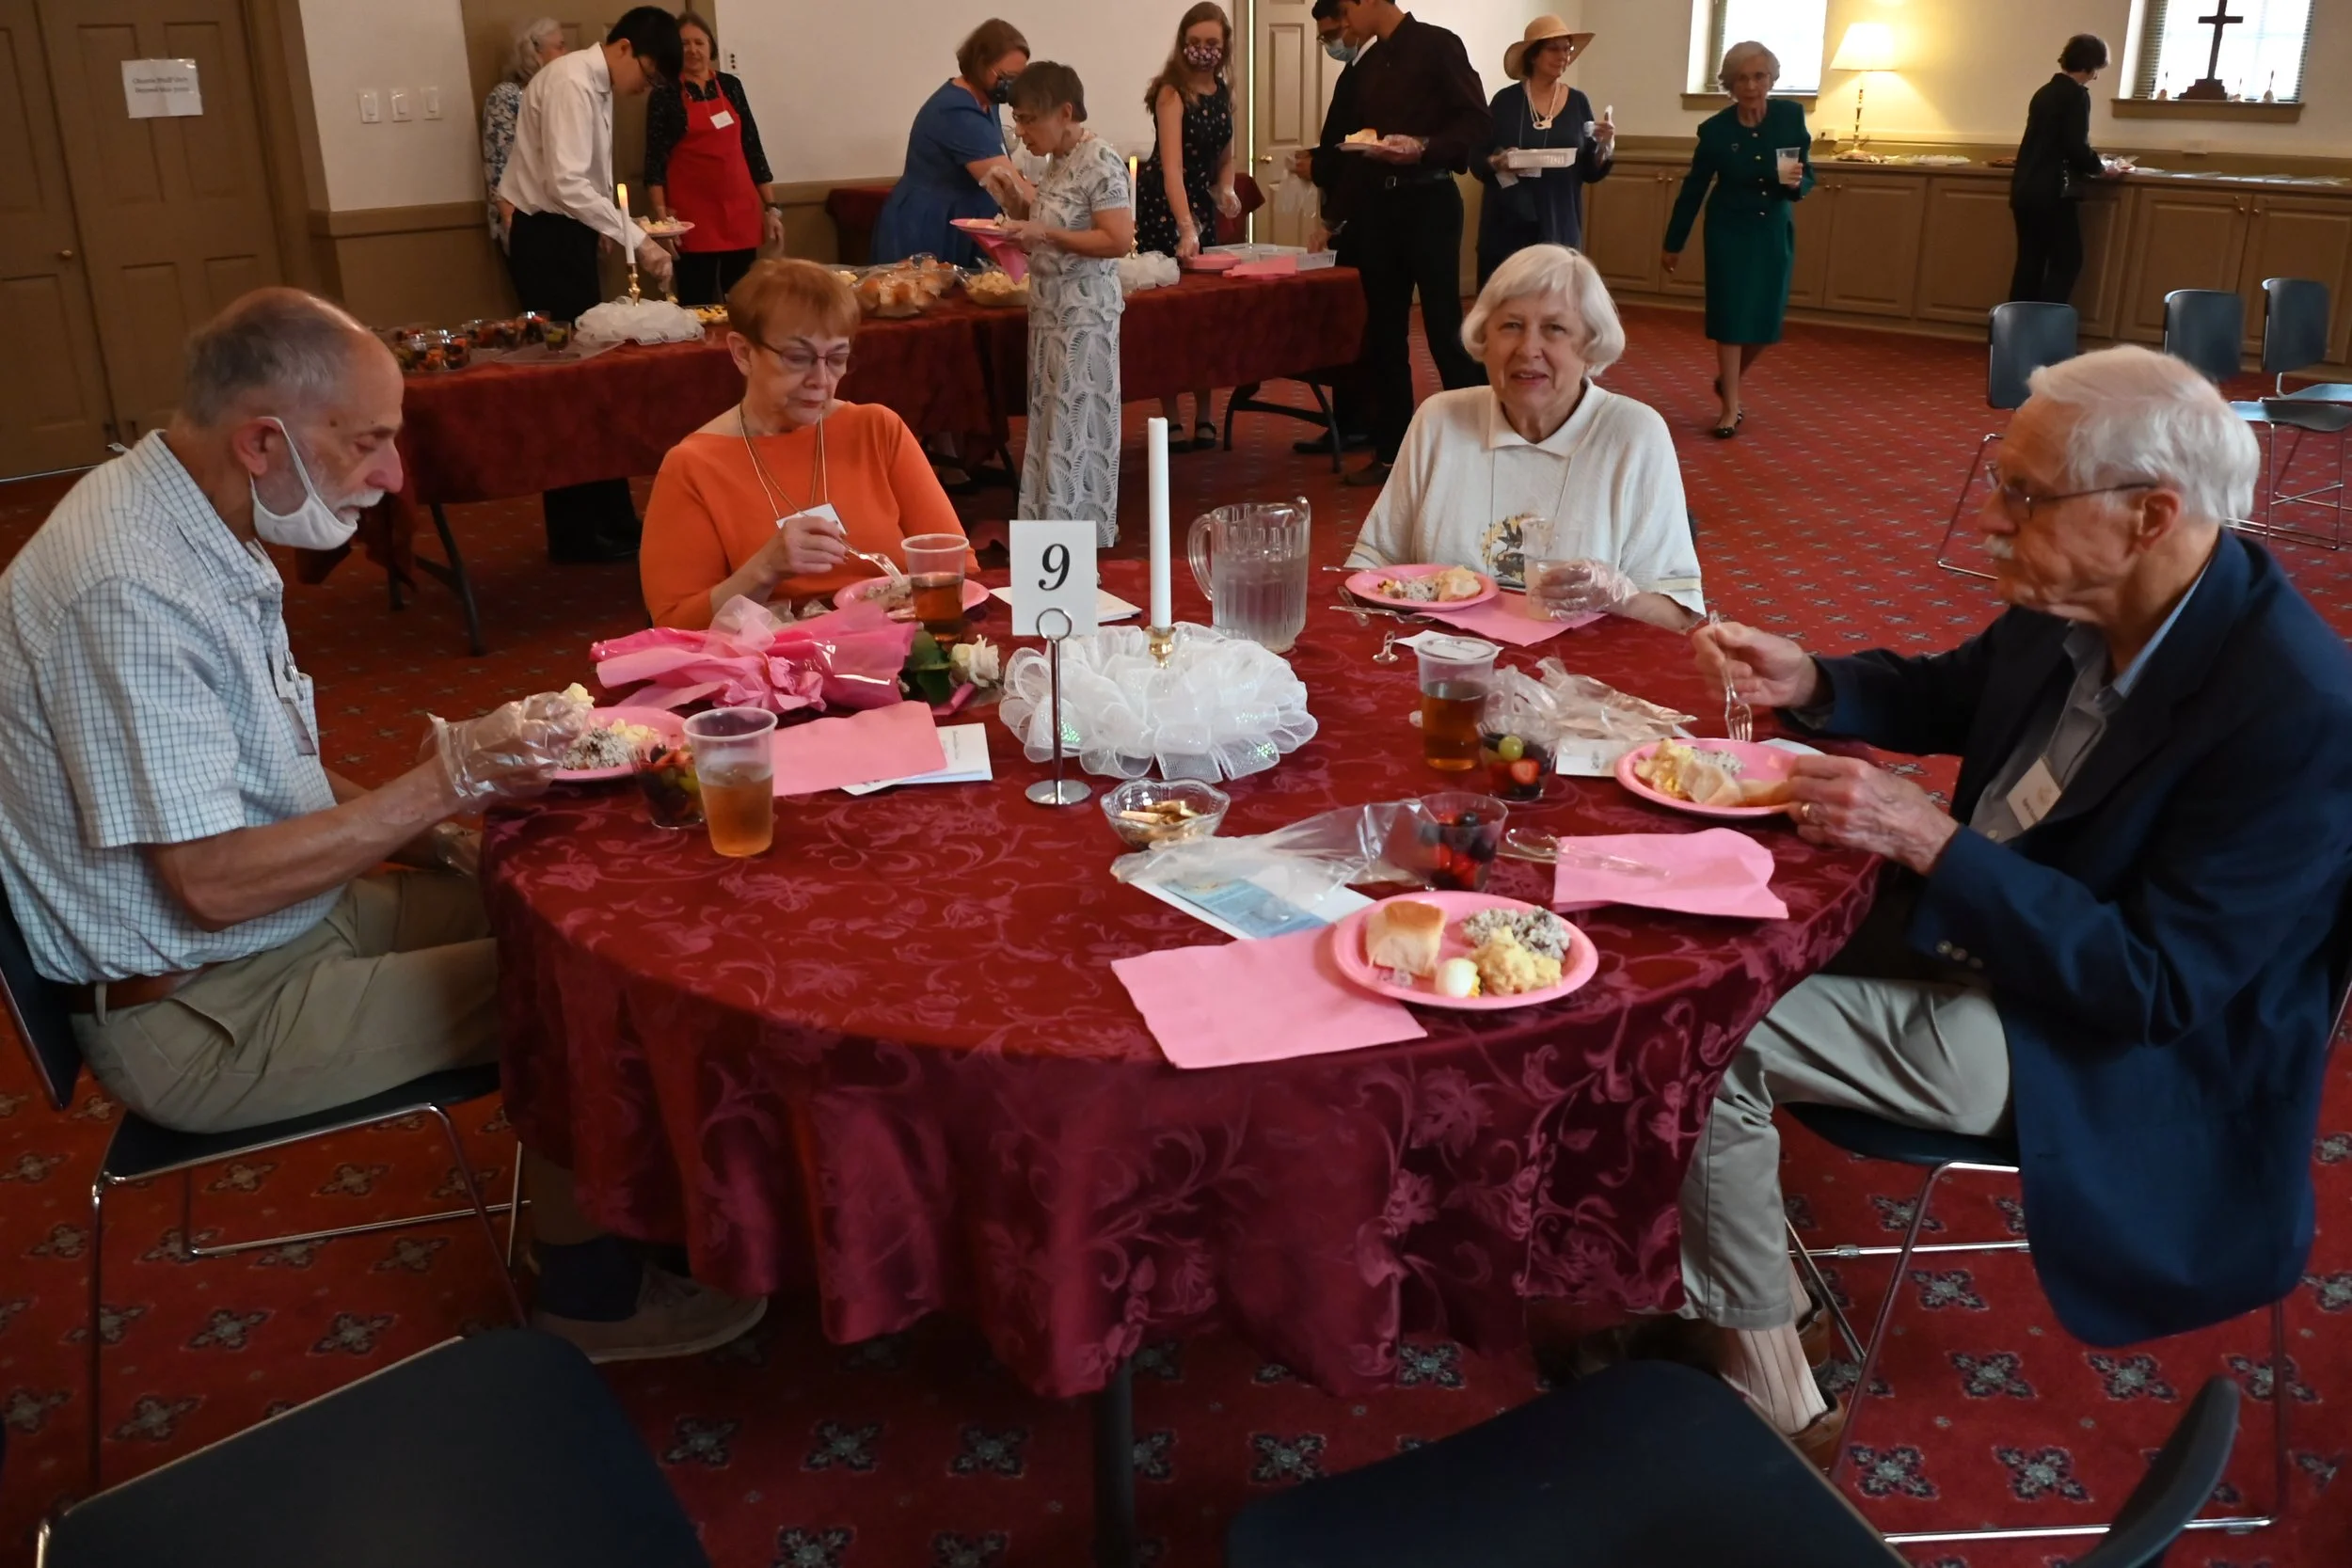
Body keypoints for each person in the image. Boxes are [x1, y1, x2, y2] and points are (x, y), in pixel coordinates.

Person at [0, 289, 767, 1362]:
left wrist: (454, 830)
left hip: (282, 928)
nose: (396, 475)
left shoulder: (184, 511)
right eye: (368, 442)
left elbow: (272, 776)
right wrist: (447, 778)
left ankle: (644, 1208)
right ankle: (592, 1298)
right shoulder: (131, 586)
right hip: (203, 1008)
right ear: (263, 440)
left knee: (578, 886)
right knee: (583, 985)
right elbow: (211, 882)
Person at [1674, 345, 2352, 1462]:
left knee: (1707, 1034)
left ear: (2150, 515)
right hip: (1990, 925)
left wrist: (1929, 839)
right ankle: (1741, 1282)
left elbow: (2157, 986)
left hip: (2098, 1043)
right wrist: (1815, 678)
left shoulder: (2296, 709)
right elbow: (1958, 687)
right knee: (1698, 934)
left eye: (2023, 494)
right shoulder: (2079, 592)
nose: (1989, 517)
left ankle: (1776, 1403)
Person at [1343, 245, 1702, 630]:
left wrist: (1619, 597)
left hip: (1577, 679)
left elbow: (1677, 616)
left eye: (1555, 329)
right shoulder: (1439, 420)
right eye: (1511, 326)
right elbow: (1372, 565)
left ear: (1591, 344)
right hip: (1442, 669)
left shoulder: (1634, 435)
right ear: (1485, 339)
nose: (1528, 349)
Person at [640, 261, 976, 629]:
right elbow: (676, 625)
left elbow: (957, 565)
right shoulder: (693, 466)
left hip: (901, 643)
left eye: (836, 359)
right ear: (743, 353)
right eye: (798, 358)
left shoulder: (876, 429)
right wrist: (764, 570)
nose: (821, 380)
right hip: (775, 666)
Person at [499, 6, 683, 564]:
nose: (641, 90)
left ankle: (611, 518)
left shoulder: (595, 83)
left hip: (570, 234)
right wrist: (641, 243)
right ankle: (576, 532)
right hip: (546, 240)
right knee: (571, 390)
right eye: (647, 76)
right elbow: (566, 184)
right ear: (623, 48)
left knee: (596, 382)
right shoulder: (571, 83)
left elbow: (587, 184)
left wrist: (605, 231)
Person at [1327, 0, 1491, 490]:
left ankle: (1480, 446)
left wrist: (1422, 146)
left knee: (1444, 329)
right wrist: (1335, 214)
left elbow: (1476, 124)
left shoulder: (1440, 46)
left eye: (1345, 8)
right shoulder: (1369, 65)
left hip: (1431, 201)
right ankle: (1391, 451)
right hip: (1379, 208)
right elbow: (1357, 145)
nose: (1342, 20)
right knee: (1384, 334)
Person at [1000, 63, 1135, 546]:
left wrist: (1044, 232)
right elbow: (1058, 223)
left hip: (1084, 322)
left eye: (1029, 119)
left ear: (1065, 112)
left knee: (1076, 434)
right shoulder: (1059, 159)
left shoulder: (1101, 160)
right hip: (1051, 315)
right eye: (1016, 119)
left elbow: (1118, 239)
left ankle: (1076, 542)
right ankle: (1048, 540)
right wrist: (1018, 205)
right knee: (1051, 429)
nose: (1022, 131)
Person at [1662, 40, 1813, 441]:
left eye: (1759, 76)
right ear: (1730, 84)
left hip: (1772, 229)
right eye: (1742, 78)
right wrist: (1673, 242)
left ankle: (1728, 380)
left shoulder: (1789, 117)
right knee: (1730, 318)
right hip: (1729, 230)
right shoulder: (1715, 131)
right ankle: (1730, 405)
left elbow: (1805, 174)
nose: (1751, 85)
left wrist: (1799, 184)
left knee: (1765, 322)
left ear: (1772, 79)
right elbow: (1694, 188)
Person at [1136, 2, 1240, 451]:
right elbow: (1172, 168)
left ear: (1224, 47)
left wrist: (1228, 190)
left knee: (1205, 316)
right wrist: (1185, 226)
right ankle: (1171, 413)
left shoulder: (1223, 91)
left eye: (1211, 44)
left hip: (1200, 204)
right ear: (1182, 45)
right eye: (1194, 43)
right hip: (1165, 203)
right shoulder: (1171, 93)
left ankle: (1205, 412)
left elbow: (1227, 157)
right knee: (1170, 316)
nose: (1202, 51)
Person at [871, 19, 1039, 269]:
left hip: (959, 218)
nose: (1011, 87)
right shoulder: (956, 110)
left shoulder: (984, 101)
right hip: (931, 227)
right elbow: (1007, 185)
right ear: (980, 65)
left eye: (1018, 78)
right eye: (1006, 77)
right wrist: (1063, 218)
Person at [645, 12, 785, 308]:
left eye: (699, 42)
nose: (693, 49)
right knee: (696, 303)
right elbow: (654, 162)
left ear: (711, 47)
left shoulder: (731, 86)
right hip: (691, 217)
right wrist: (661, 217)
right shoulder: (664, 93)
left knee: (744, 302)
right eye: (684, 43)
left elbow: (752, 147)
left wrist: (771, 207)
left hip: (740, 212)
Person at [1289, 0, 1375, 459]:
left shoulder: (1374, 72)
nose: (1328, 45)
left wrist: (1319, 164)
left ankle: (1361, 421)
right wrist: (1318, 161)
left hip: (1362, 216)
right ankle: (1351, 418)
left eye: (1329, 35)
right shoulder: (1356, 72)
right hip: (1349, 208)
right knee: (1351, 324)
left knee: (1361, 325)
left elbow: (1354, 154)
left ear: (1351, 19)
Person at [1473, 16, 1612, 284]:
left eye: (1567, 49)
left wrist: (1605, 146)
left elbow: (1590, 171)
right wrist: (1498, 162)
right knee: (1506, 302)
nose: (1563, 56)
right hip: (1508, 219)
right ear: (1533, 55)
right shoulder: (1505, 101)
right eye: (1554, 48)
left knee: (1555, 304)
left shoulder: (1579, 102)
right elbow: (1477, 157)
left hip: (1559, 219)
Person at [2010, 35, 2113, 306]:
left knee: (2029, 262)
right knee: (2068, 261)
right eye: (2097, 70)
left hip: (2025, 189)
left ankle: (2013, 333)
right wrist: (2101, 168)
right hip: (2053, 192)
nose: (2095, 77)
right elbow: (2075, 147)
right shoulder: (2075, 95)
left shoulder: (2045, 92)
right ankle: (2046, 331)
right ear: (2090, 66)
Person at [481, 17, 566, 250]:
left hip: (566, 217)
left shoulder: (562, 94)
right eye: (559, 46)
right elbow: (497, 162)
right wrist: (511, 219)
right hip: (527, 219)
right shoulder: (506, 96)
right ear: (534, 53)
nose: (567, 54)